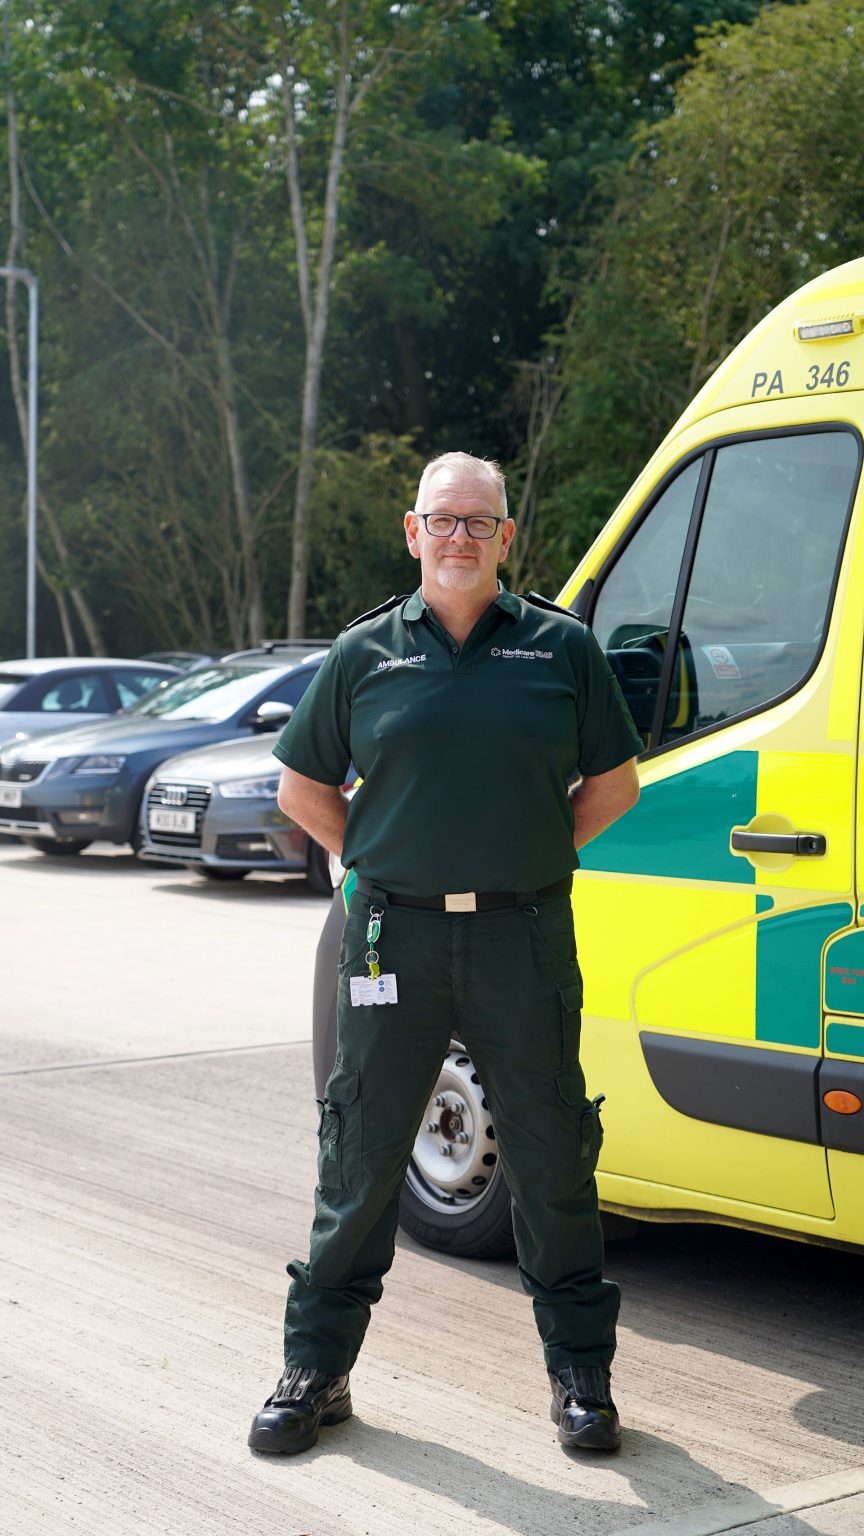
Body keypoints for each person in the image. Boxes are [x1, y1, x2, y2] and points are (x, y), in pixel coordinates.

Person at [248, 451, 643, 1459]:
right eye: (444, 519)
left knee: (553, 1158)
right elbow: (303, 788)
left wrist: (535, 852)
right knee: (364, 1154)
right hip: (394, 935)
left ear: (507, 536)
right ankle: (316, 1369)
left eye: (481, 520)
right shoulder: (364, 654)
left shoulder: (561, 650)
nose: (461, 535)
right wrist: (367, 859)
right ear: (412, 532)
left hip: (523, 934)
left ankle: (581, 1380)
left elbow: (613, 782)